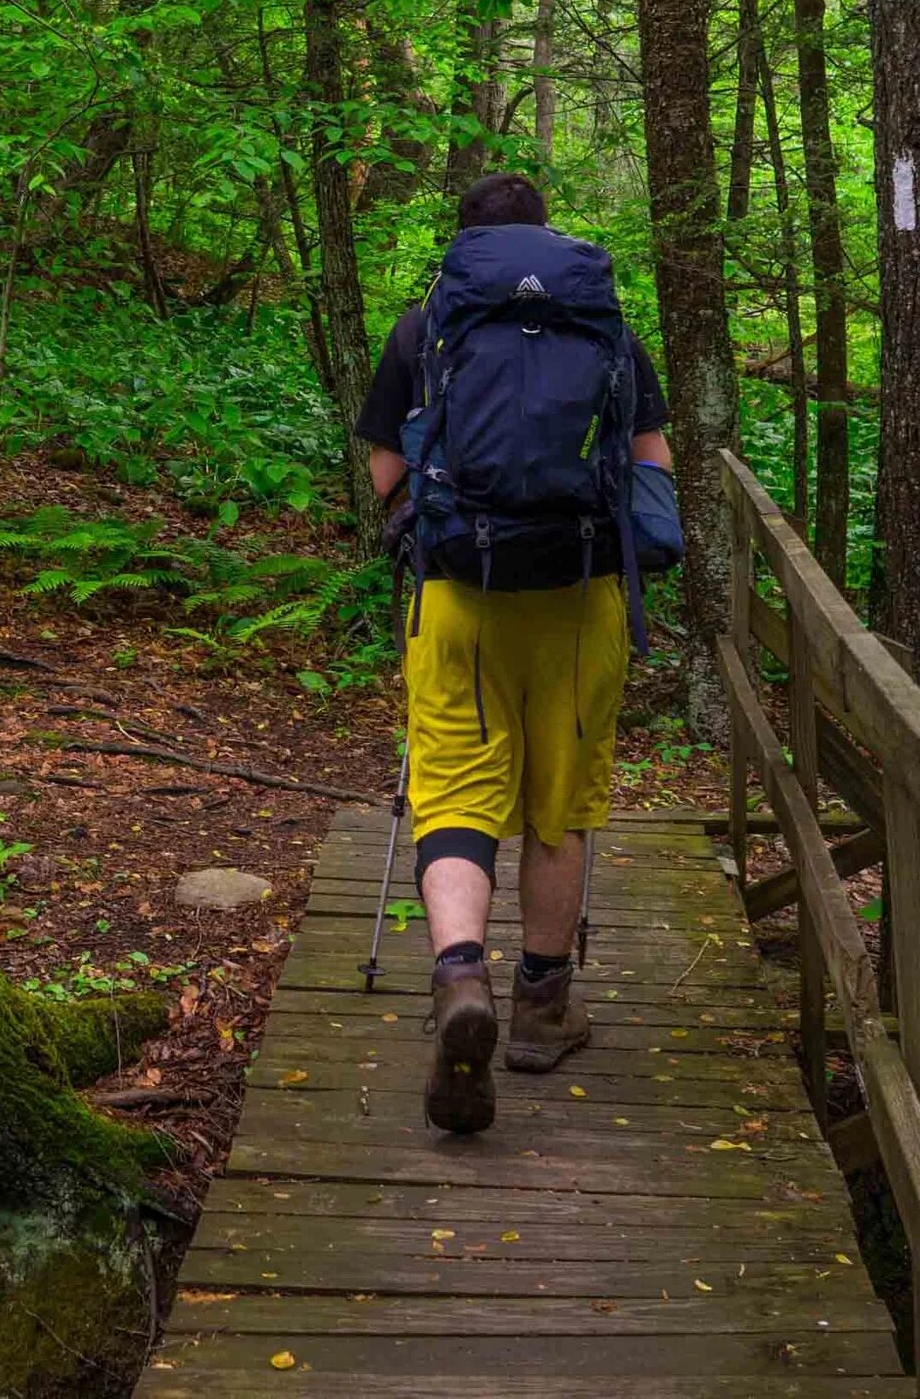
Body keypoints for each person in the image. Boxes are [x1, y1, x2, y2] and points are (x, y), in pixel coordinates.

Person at [352, 172, 672, 1134]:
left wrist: (420, 531)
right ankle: (540, 1006)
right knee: (558, 803)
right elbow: (651, 462)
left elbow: (384, 465)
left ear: (465, 241)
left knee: (452, 791)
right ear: (547, 236)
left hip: (459, 595)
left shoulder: (426, 327)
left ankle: (460, 978)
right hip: (581, 601)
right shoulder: (606, 327)